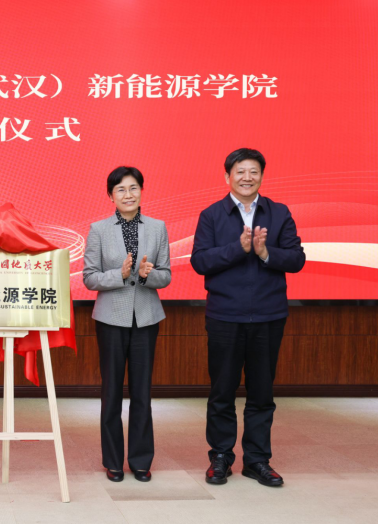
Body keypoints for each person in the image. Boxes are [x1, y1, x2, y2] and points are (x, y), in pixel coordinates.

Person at [191, 148, 305, 487]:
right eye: (240, 171)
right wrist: (238, 249)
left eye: (253, 171)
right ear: (227, 176)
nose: (247, 177)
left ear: (262, 176)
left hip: (269, 316)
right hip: (225, 316)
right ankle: (220, 457)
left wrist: (265, 252)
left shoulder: (279, 213)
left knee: (261, 393)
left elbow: (297, 259)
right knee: (222, 392)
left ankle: (257, 460)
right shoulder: (212, 215)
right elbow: (199, 261)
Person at [83, 166, 171, 483]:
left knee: (142, 393)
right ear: (111, 195)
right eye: (120, 189)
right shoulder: (98, 229)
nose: (128, 194)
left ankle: (141, 460)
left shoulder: (158, 228)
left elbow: (166, 275)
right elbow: (89, 278)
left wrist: (149, 275)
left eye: (133, 188)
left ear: (141, 191)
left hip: (146, 318)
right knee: (111, 392)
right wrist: (118, 275)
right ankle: (113, 461)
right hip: (111, 319)